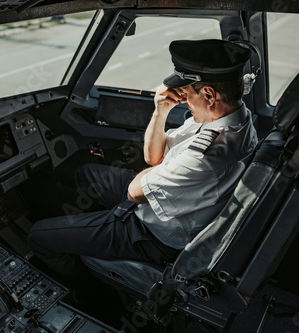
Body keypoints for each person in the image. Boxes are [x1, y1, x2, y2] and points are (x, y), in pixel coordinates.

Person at [27, 39, 258, 286]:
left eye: (188, 92)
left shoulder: (206, 154)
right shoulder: (234, 121)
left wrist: (155, 173)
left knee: (38, 235)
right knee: (86, 173)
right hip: (164, 202)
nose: (185, 100)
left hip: (152, 235)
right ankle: (88, 232)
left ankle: (82, 287)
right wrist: (160, 111)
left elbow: (134, 192)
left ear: (209, 94)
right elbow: (153, 158)